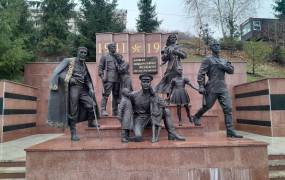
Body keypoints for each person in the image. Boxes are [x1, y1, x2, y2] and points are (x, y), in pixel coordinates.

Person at [47, 47, 100, 141]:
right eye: (81, 52)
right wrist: (69, 79)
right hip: (73, 88)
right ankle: (73, 133)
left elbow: (87, 77)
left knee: (92, 104)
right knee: (73, 110)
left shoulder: (83, 64)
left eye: (85, 53)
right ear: (78, 52)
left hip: (83, 89)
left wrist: (90, 87)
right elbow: (58, 73)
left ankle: (91, 122)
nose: (83, 54)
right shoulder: (69, 61)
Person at [192, 40, 243, 138]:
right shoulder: (208, 59)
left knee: (228, 108)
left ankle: (230, 131)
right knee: (207, 106)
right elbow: (201, 73)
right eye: (214, 45)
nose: (217, 47)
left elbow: (231, 70)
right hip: (212, 86)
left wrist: (223, 66)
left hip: (222, 87)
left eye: (218, 45)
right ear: (211, 48)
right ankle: (197, 116)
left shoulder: (224, 60)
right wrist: (201, 86)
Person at [129, 73, 186, 142]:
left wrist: (162, 100)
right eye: (144, 82)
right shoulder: (134, 95)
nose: (146, 84)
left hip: (152, 117)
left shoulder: (153, 95)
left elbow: (164, 104)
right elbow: (127, 108)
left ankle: (172, 133)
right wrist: (130, 122)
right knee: (138, 137)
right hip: (139, 119)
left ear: (150, 83)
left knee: (166, 111)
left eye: (148, 82)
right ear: (140, 83)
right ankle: (129, 137)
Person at [155, 34, 187, 99]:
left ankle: (179, 98)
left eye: (174, 37)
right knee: (168, 83)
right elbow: (163, 59)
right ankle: (168, 98)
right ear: (169, 39)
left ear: (176, 39)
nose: (172, 39)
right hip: (170, 68)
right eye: (171, 38)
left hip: (178, 67)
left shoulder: (179, 47)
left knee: (178, 83)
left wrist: (176, 52)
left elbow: (184, 56)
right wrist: (167, 55)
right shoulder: (166, 48)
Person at [98, 42, 121, 116]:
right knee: (106, 95)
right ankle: (103, 110)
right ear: (109, 48)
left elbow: (122, 65)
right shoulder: (105, 57)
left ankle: (115, 111)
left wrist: (118, 58)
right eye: (113, 47)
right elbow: (100, 68)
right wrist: (102, 77)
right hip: (108, 78)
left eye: (115, 46)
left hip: (117, 78)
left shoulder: (117, 57)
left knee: (116, 95)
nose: (114, 48)